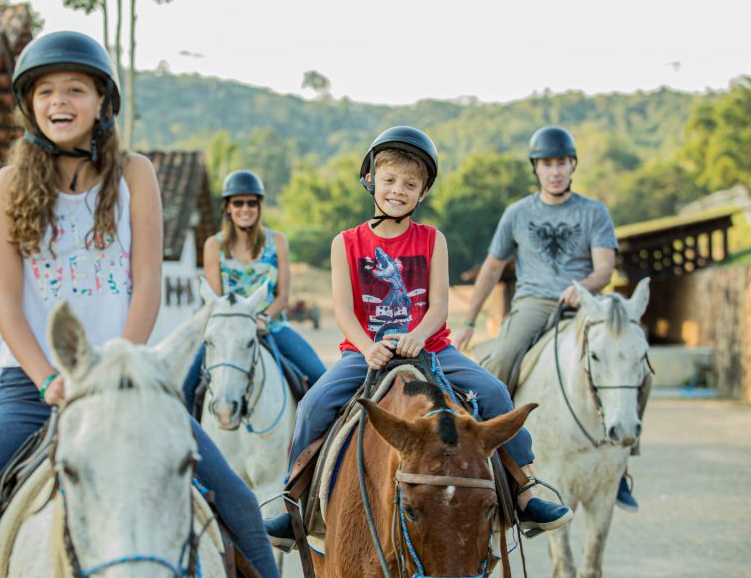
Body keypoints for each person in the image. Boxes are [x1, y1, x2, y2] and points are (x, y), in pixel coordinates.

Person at [0, 31, 301, 578]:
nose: (59, 101)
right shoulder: (7, 186)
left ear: (102, 102)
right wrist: (50, 379)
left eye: (76, 88)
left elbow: (146, 283)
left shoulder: (135, 175)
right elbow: (7, 305)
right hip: (34, 388)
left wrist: (117, 370)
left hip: (129, 381)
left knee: (236, 504)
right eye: (45, 91)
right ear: (29, 106)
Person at [264, 126, 574, 547]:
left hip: (432, 349)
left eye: (410, 184)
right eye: (389, 180)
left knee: (496, 392)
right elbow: (343, 310)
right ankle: (293, 504)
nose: (398, 191)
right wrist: (367, 346)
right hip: (367, 351)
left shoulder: (432, 240)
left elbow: (439, 308)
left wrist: (418, 336)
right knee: (314, 406)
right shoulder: (346, 242)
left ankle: (525, 493)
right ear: (371, 179)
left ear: (423, 192)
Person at [450, 125, 640, 511]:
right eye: (547, 164)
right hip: (534, 302)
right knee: (499, 361)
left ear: (573, 166)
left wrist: (582, 286)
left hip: (586, 303)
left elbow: (605, 269)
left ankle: (621, 465)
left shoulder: (594, 212)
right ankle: (482, 454)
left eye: (562, 163)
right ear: (536, 168)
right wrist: (469, 320)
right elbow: (491, 268)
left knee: (637, 362)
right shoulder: (517, 214)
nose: (555, 171)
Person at [182, 170, 326, 411]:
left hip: (270, 325)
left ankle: (314, 445)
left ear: (259, 206)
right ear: (227, 207)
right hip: (228, 329)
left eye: (251, 202)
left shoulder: (277, 241)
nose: (245, 208)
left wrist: (263, 318)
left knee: (319, 377)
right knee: (186, 387)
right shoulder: (213, 246)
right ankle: (192, 444)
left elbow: (283, 296)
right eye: (238, 202)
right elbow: (216, 300)